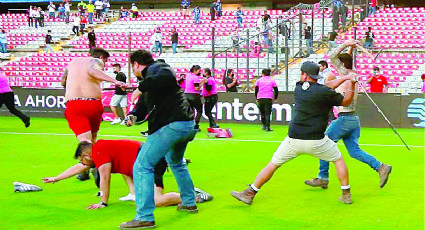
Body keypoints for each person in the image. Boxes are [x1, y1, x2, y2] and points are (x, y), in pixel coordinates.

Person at [230, 61, 359, 206]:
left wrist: (345, 78)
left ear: (304, 75)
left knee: (272, 165)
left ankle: (250, 193)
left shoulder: (299, 88)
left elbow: (324, 87)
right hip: (317, 140)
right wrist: (351, 83)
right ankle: (346, 194)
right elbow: (346, 101)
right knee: (338, 160)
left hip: (293, 139)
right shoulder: (325, 92)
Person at [119, 50, 198, 229]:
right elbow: (143, 106)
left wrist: (140, 88)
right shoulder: (151, 80)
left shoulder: (158, 68)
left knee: (142, 166)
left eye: (132, 66)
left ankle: (144, 216)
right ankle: (189, 202)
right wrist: (132, 116)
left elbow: (165, 77)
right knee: (176, 162)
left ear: (137, 65)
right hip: (186, 125)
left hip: (172, 126)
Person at [305, 39, 392, 190]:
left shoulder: (344, 73)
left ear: (341, 64)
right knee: (354, 151)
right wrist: (350, 50)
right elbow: (346, 60)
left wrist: (346, 43)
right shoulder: (353, 73)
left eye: (338, 63)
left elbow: (333, 55)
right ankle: (380, 167)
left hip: (344, 118)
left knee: (323, 143)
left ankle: (322, 177)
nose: (334, 66)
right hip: (353, 118)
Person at [42, 140, 213, 209]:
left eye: (82, 160)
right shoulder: (101, 151)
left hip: (152, 160)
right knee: (124, 167)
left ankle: (194, 197)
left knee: (156, 202)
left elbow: (105, 177)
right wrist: (56, 178)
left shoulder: (99, 152)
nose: (83, 164)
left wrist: (103, 202)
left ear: (87, 155)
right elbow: (79, 168)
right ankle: (133, 193)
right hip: (143, 159)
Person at [61, 47, 125, 144]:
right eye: (105, 61)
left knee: (85, 142)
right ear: (102, 57)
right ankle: (92, 158)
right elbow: (92, 71)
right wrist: (114, 81)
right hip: (93, 104)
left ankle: (86, 158)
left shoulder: (73, 62)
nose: (104, 66)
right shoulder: (96, 61)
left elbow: (63, 81)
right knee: (92, 141)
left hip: (74, 104)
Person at [184, 65, 203, 131]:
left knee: (191, 111)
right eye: (199, 71)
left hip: (186, 94)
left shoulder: (188, 76)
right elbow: (196, 88)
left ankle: (189, 125)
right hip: (194, 95)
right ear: (195, 70)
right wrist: (202, 83)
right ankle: (196, 125)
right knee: (199, 110)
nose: (199, 72)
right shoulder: (195, 78)